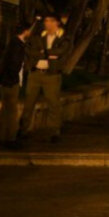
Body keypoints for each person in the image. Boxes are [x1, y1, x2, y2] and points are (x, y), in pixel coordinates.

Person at [19, 13, 72, 142]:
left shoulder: (64, 38)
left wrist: (44, 52)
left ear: (57, 23)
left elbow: (62, 51)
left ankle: (54, 131)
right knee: (29, 103)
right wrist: (47, 54)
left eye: (50, 21)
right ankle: (22, 130)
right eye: (46, 21)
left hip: (52, 74)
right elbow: (29, 50)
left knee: (53, 103)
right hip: (35, 73)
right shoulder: (38, 36)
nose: (47, 23)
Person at [0, 21, 34, 148]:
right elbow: (14, 64)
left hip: (6, 80)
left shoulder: (14, 43)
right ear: (26, 31)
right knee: (11, 111)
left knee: (6, 110)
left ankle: (0, 138)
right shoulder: (17, 45)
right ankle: (9, 139)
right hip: (10, 81)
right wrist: (13, 80)